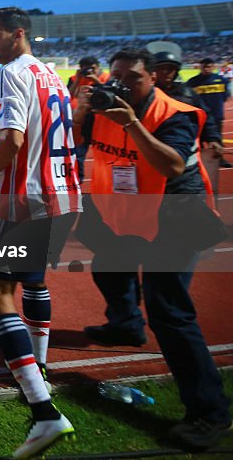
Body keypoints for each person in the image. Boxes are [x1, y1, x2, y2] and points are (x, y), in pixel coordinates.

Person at [72, 49, 232, 452]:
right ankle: (125, 324)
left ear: (153, 78)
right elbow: (78, 141)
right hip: (122, 207)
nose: (123, 84)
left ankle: (209, 413)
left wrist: (131, 124)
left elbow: (172, 166)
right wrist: (83, 112)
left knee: (170, 312)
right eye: (118, 76)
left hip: (175, 212)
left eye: (134, 78)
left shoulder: (175, 112)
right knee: (107, 265)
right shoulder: (103, 106)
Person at [0, 6, 81, 458]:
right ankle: (38, 363)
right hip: (63, 194)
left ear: (18, 34)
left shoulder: (9, 74)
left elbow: (12, 138)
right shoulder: (53, 75)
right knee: (32, 280)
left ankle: (43, 411)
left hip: (26, 197)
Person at [149, 51, 225, 192]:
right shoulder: (145, 95)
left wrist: (213, 138)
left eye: (170, 69)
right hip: (153, 154)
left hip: (186, 159)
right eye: (161, 68)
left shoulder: (188, 94)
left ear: (176, 71)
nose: (166, 72)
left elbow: (205, 116)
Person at [187, 58, 230, 167]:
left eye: (209, 66)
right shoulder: (192, 82)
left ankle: (220, 159)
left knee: (217, 139)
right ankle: (199, 162)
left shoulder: (221, 80)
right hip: (198, 116)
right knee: (198, 141)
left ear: (213, 67)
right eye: (204, 66)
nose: (207, 69)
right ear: (200, 67)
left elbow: (225, 97)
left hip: (216, 115)